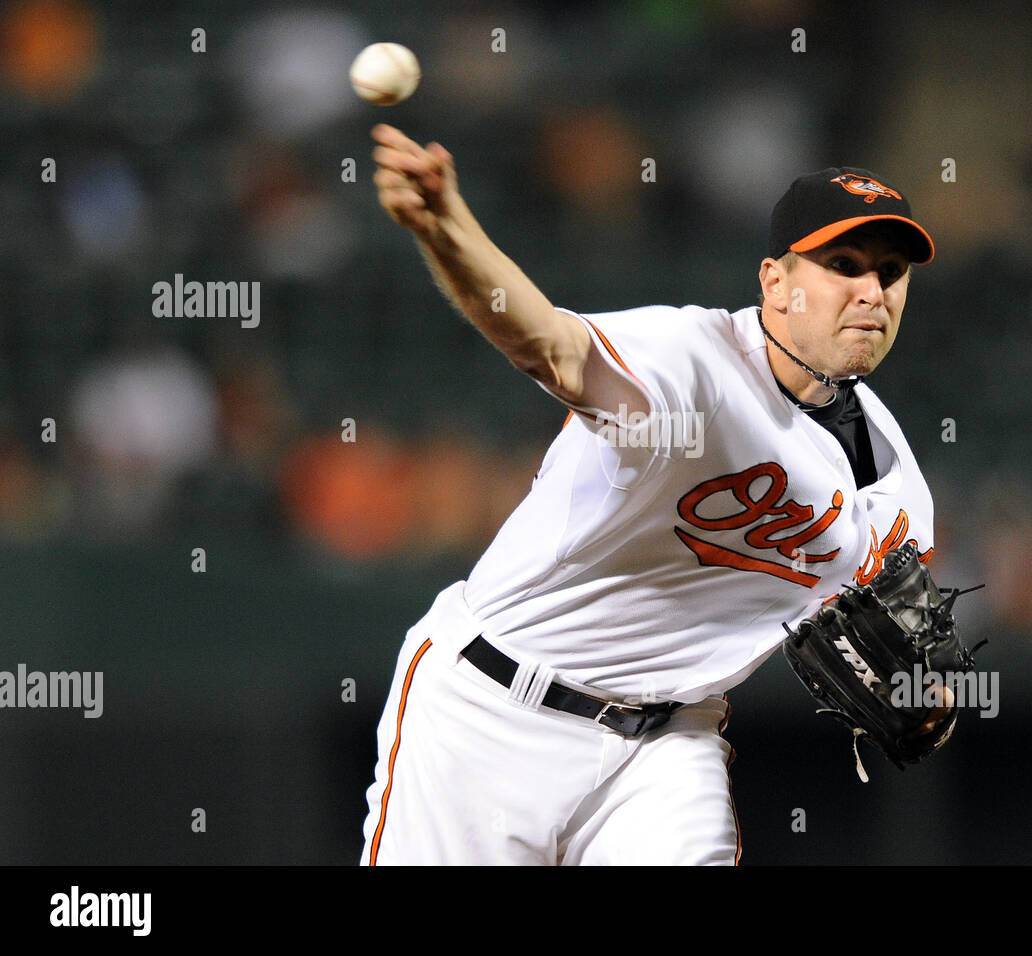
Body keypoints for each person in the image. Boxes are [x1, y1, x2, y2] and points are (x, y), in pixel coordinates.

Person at [360, 124, 952, 865]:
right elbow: (548, 344)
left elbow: (904, 635)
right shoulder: (692, 366)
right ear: (776, 282)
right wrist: (447, 228)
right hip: (491, 709)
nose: (872, 290)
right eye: (843, 265)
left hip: (665, 749)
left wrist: (928, 693)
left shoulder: (897, 480)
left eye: (891, 272)